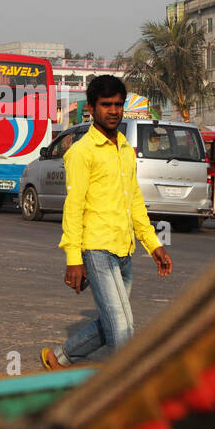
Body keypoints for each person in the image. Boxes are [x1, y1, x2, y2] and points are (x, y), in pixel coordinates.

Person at [42, 75, 173, 369]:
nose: (113, 111)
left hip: (123, 250)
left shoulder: (124, 148)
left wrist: (154, 245)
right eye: (106, 105)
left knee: (112, 322)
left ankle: (59, 357)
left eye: (118, 104)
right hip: (97, 250)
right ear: (91, 108)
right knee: (123, 331)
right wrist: (74, 259)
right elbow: (73, 207)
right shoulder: (81, 152)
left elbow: (135, 201)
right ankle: (123, 391)